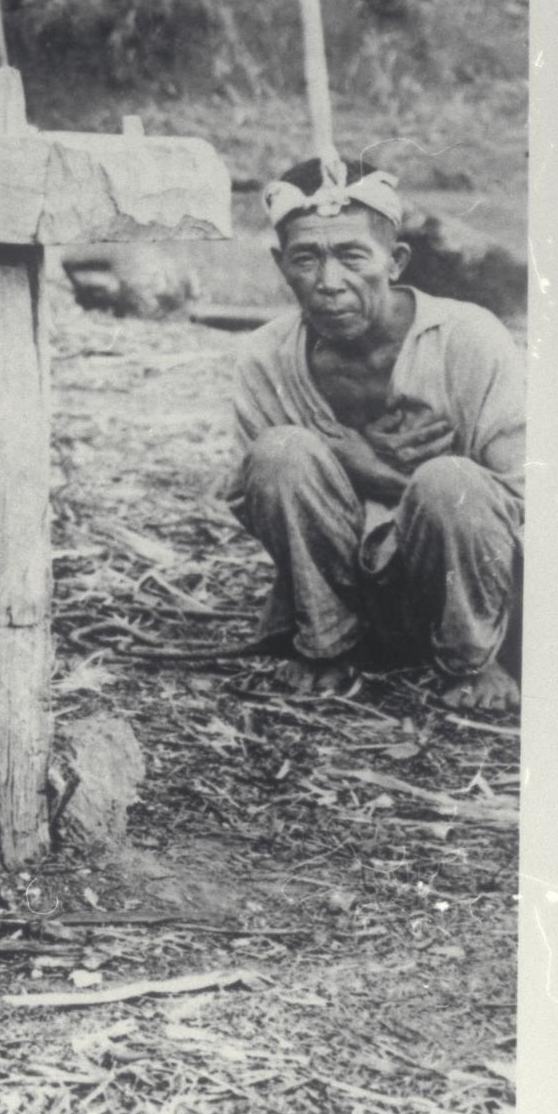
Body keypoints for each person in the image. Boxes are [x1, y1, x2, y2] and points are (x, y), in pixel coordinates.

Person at [228, 156, 523, 711]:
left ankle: (473, 660)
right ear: (280, 264)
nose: (328, 283)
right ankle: (326, 647)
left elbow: (525, 492)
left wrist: (377, 473)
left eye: (352, 256)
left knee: (449, 479)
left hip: (475, 597)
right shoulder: (265, 359)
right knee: (280, 453)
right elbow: (258, 500)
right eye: (306, 258)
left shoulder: (467, 338)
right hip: (352, 600)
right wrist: (333, 464)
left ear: (395, 261)